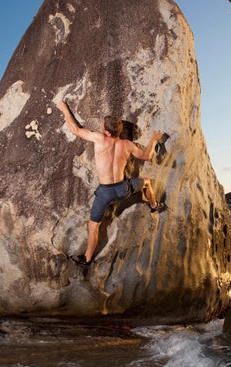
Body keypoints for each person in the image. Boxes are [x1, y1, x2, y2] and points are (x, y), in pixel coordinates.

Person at [57, 99, 166, 266]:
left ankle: (87, 258)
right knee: (145, 182)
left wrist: (64, 109)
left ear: (107, 132)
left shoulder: (100, 139)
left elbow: (76, 130)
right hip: (123, 189)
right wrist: (153, 139)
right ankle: (153, 205)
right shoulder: (127, 144)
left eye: (103, 126)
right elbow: (146, 156)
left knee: (93, 226)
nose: (101, 127)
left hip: (105, 193)